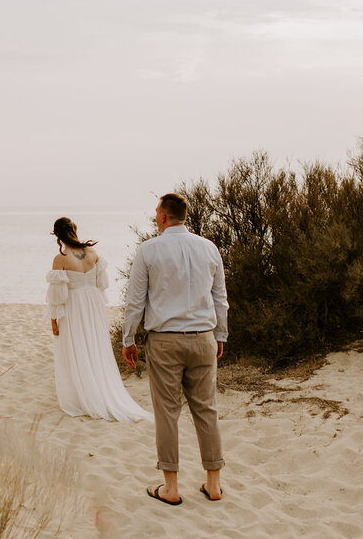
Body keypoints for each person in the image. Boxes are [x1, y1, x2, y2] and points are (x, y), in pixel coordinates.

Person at [122, 193, 228, 506]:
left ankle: (170, 487)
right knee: (206, 409)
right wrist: (220, 334)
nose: (156, 216)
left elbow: (135, 300)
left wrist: (129, 338)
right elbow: (220, 297)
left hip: (165, 341)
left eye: (157, 212)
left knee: (167, 413)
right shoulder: (208, 248)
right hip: (203, 338)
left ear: (165, 217)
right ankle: (214, 483)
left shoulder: (149, 249)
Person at [45, 217, 151, 423]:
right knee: (94, 347)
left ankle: (83, 396)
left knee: (76, 348)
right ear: (74, 230)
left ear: (57, 235)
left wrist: (54, 321)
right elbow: (101, 285)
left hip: (74, 306)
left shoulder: (61, 258)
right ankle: (96, 390)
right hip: (93, 304)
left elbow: (57, 296)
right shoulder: (93, 254)